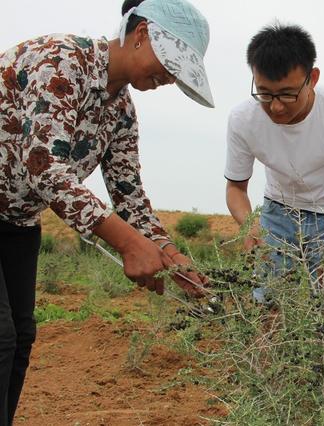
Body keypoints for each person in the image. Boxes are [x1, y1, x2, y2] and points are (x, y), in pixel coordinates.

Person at [0, 0, 214, 423]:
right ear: (141, 34)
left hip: (17, 221)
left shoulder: (120, 111)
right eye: (170, 64)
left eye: (178, 73)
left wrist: (170, 256)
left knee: (22, 336)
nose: (169, 78)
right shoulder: (59, 61)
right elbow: (44, 167)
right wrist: (130, 244)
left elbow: (130, 196)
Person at [224, 24, 324, 309]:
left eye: (287, 94)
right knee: (269, 305)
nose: (275, 107)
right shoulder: (242, 119)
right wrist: (251, 228)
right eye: (264, 93)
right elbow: (236, 188)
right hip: (276, 213)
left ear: (312, 78)